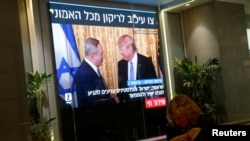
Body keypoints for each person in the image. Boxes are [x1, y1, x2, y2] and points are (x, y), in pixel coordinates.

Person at [75, 37, 116, 107]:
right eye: (101, 53)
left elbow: (99, 94)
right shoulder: (84, 74)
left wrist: (109, 97)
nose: (104, 56)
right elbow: (95, 102)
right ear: (93, 55)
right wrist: (114, 100)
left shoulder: (90, 68)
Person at [117, 34, 157, 103]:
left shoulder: (146, 62)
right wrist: (117, 98)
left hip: (143, 105)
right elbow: (122, 87)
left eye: (121, 50)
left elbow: (154, 86)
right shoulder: (121, 64)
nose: (120, 53)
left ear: (130, 49)